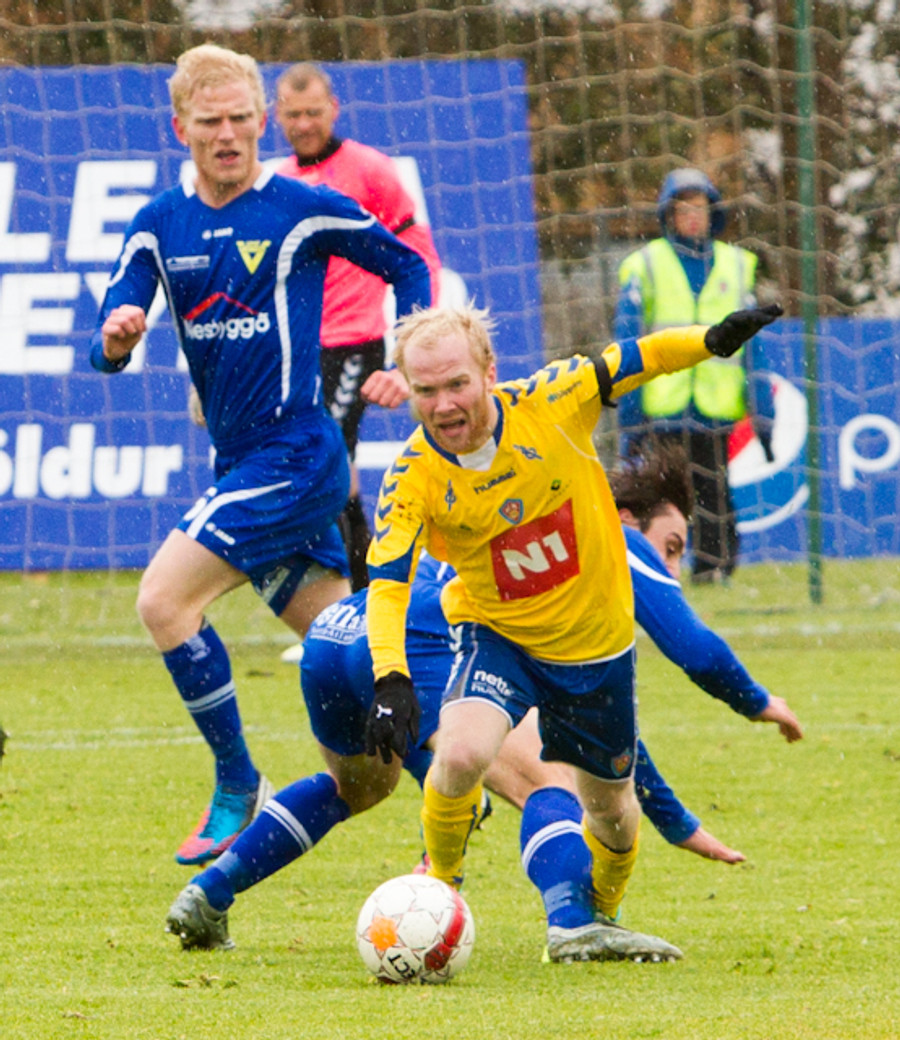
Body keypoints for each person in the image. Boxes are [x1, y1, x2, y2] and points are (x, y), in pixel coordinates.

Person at [163, 441, 800, 958]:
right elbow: (687, 655)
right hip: (419, 638)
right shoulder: (602, 536)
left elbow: (605, 728)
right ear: (629, 521)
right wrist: (756, 701)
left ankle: (211, 892)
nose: (671, 569)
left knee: (358, 788)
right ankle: (573, 923)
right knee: (549, 780)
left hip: (338, 636)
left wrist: (677, 822)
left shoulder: (524, 532)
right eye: (670, 547)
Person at [90, 43, 431, 868]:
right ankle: (465, 778)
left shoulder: (299, 207)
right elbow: (113, 323)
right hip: (241, 464)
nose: (229, 135)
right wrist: (117, 338)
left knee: (163, 601)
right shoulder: (159, 223)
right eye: (211, 121)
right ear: (181, 128)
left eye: (242, 119)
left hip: (298, 457)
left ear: (261, 121)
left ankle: (238, 782)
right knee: (351, 656)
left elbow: (407, 266)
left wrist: (405, 356)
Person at [362, 300, 781, 964]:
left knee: (613, 811)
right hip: (497, 635)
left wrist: (709, 342)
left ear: (489, 372)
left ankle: (599, 917)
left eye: (457, 384)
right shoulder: (412, 475)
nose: (443, 405)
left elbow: (640, 357)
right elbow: (386, 584)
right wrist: (391, 678)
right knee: (462, 753)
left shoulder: (555, 399)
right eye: (426, 391)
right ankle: (439, 887)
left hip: (595, 649)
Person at [274, 62, 442, 595]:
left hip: (355, 343)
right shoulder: (277, 182)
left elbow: (417, 255)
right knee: (327, 470)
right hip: (299, 350)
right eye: (294, 115)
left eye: (313, 112)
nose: (304, 124)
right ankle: (362, 594)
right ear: (277, 116)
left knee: (327, 460)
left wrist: (412, 343)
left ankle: (362, 593)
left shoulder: (369, 170)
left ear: (334, 110)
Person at [615, 167, 775, 584]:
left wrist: (763, 410)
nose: (691, 216)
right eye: (683, 207)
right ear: (668, 214)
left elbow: (753, 347)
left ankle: (713, 568)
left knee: (713, 490)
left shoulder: (736, 265)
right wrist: (630, 413)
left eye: (699, 207)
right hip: (664, 405)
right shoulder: (645, 265)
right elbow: (628, 340)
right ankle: (656, 566)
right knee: (661, 497)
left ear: (712, 212)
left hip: (712, 405)